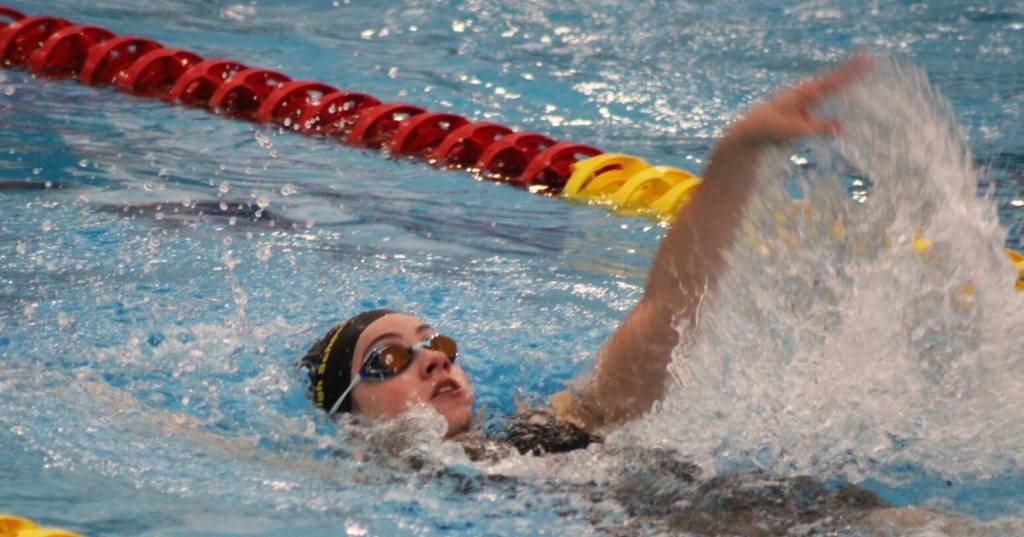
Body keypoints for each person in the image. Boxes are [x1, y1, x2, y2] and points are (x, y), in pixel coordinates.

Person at [301, 54, 874, 451]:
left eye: (433, 342)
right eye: (388, 360)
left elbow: (670, 303)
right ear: (350, 422)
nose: (434, 359)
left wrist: (737, 152)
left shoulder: (551, 432)